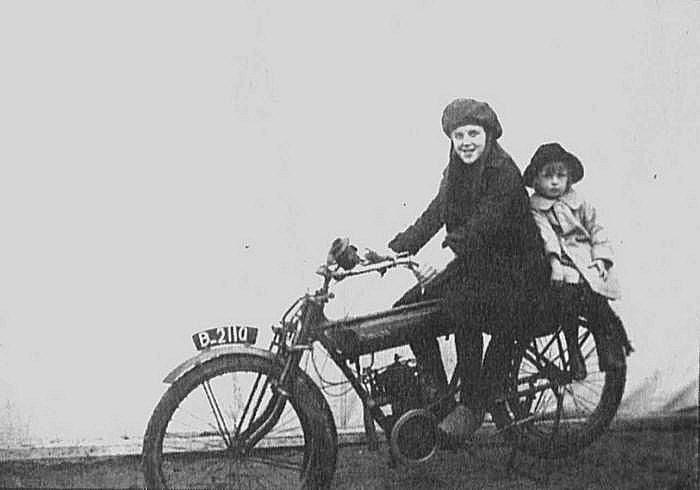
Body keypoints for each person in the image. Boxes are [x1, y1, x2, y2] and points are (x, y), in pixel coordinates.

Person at [387, 98, 549, 429]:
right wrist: (396, 250)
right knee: (405, 311)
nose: (466, 143)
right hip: (475, 263)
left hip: (517, 270)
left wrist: (444, 256)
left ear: (489, 134)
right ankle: (439, 400)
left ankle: (473, 406)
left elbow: (483, 224)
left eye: (473, 133)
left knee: (463, 307)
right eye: (458, 136)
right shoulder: (455, 170)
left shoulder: (503, 173)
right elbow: (435, 214)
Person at [523, 142, 632, 377]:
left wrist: (601, 259)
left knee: (599, 304)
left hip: (586, 261)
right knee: (568, 299)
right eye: (547, 176)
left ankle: (611, 352)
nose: (554, 182)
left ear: (569, 179)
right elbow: (546, 235)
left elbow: (597, 230)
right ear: (535, 180)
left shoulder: (579, 202)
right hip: (561, 263)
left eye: (560, 176)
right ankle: (573, 349)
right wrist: (555, 263)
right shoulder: (535, 208)